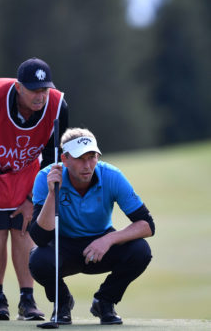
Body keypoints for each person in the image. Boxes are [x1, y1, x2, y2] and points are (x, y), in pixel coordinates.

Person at [0, 57, 68, 321]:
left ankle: (27, 300)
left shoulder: (58, 106)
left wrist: (33, 199)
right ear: (19, 87)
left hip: (28, 174)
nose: (40, 96)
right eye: (33, 90)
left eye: (44, 89)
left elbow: (54, 156)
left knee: (22, 232)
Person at [29, 127, 155, 325]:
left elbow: (147, 225)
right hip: (63, 247)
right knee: (38, 260)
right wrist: (53, 194)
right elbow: (40, 238)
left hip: (101, 245)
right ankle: (62, 305)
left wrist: (108, 239)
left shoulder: (111, 176)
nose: (87, 165)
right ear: (65, 158)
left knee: (140, 251)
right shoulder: (47, 178)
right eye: (80, 159)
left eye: (92, 157)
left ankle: (105, 302)